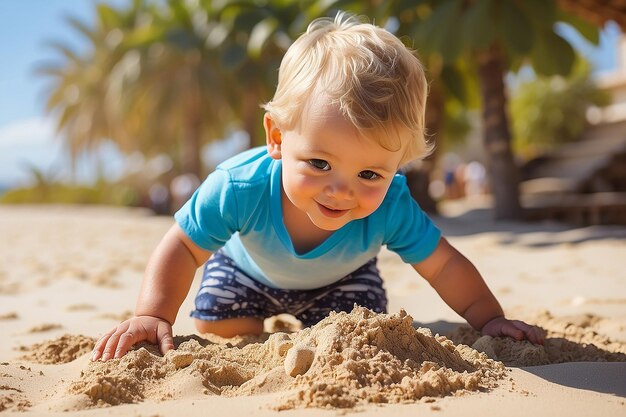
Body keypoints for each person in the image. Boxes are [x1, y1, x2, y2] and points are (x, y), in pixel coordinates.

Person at [92, 13, 543, 362]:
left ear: (396, 166)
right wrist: (152, 314)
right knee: (219, 323)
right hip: (249, 272)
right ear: (277, 137)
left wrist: (490, 318)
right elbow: (184, 249)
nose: (340, 190)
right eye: (320, 163)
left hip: (342, 281)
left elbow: (443, 266)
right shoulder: (238, 185)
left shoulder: (393, 204)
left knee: (360, 331)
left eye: (370, 174)